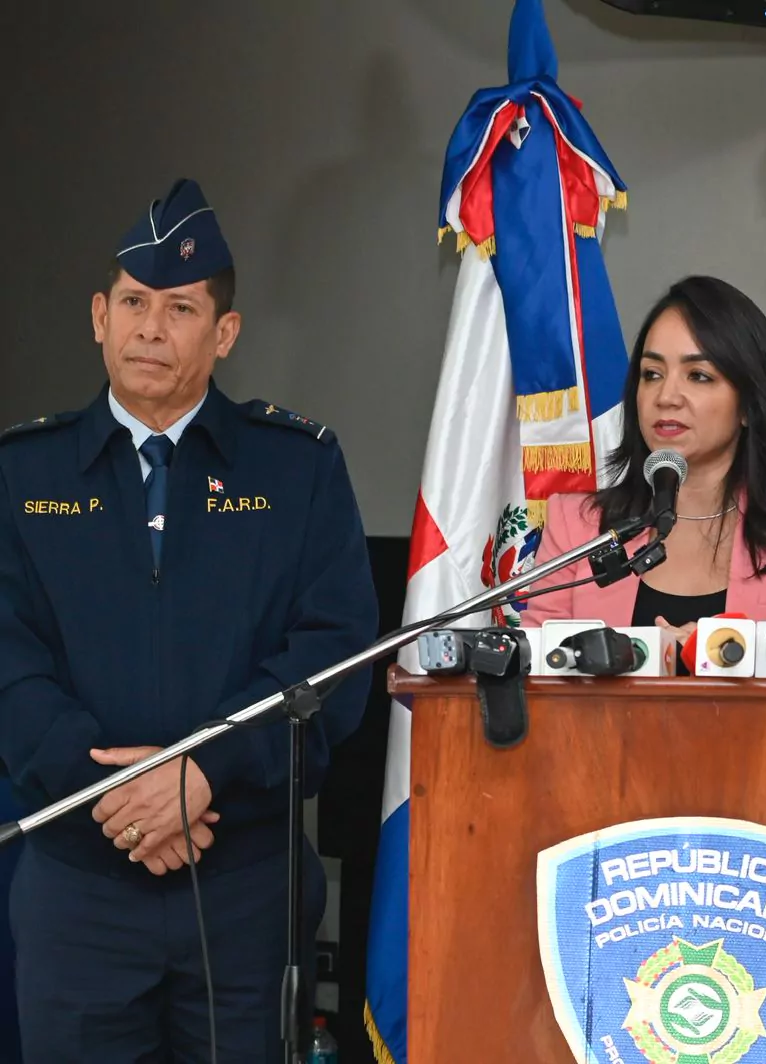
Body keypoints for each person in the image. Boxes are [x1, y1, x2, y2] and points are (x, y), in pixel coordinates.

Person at [0, 178, 378, 1062]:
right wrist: (122, 801)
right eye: (133, 303)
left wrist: (205, 771)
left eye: (180, 308)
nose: (150, 328)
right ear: (99, 317)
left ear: (225, 332)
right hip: (80, 890)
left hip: (244, 887)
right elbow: (8, 657)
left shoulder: (297, 468)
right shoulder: (24, 472)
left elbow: (335, 653)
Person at [523, 275, 766, 647]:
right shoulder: (577, 527)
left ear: (748, 404)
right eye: (652, 374)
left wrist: (724, 661)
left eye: (698, 376)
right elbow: (537, 670)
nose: (666, 396)